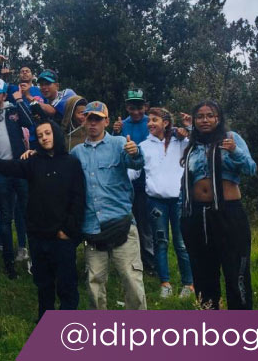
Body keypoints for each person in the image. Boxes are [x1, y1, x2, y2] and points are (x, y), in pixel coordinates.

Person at [0, 120, 85, 322]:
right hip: (38, 235)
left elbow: (79, 198)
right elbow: (12, 168)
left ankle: (69, 323)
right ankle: (45, 320)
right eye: (40, 135)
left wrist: (68, 230)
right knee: (43, 283)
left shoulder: (71, 163)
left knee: (66, 283)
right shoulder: (33, 162)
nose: (45, 138)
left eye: (48, 133)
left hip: (62, 236)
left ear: (55, 133)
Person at [179, 101, 256, 310]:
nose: (205, 120)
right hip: (197, 214)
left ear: (218, 118)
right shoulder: (193, 145)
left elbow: (251, 168)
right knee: (203, 271)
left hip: (228, 214)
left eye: (210, 115)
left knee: (235, 272)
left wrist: (234, 152)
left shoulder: (231, 139)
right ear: (195, 121)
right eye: (200, 116)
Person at [70, 101, 147, 310]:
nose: (93, 123)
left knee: (131, 280)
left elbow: (137, 163)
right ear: (84, 121)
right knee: (94, 284)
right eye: (89, 118)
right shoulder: (76, 152)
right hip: (92, 227)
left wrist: (135, 152)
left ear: (106, 121)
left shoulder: (120, 143)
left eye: (97, 118)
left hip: (122, 223)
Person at [130, 107, 194, 298]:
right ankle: (165, 283)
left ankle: (188, 284)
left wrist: (189, 128)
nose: (150, 123)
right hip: (155, 201)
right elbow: (133, 172)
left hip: (179, 200)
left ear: (165, 123)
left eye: (154, 120)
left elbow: (198, 146)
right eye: (149, 120)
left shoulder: (181, 142)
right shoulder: (144, 145)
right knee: (160, 242)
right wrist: (126, 160)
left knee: (181, 243)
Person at [0, 78, 35, 278]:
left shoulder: (13, 110)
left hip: (20, 169)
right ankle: (8, 262)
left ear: (4, 95)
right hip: (0, 171)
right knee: (5, 217)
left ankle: (32, 257)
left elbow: (30, 122)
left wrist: (20, 101)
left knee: (28, 213)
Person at [114, 88, 155, 274]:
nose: (136, 111)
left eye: (140, 107)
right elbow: (115, 150)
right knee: (126, 223)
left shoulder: (152, 123)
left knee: (145, 224)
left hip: (148, 183)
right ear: (127, 107)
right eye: (132, 107)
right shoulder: (121, 125)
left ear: (145, 106)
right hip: (126, 184)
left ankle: (150, 263)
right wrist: (115, 133)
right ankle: (127, 261)